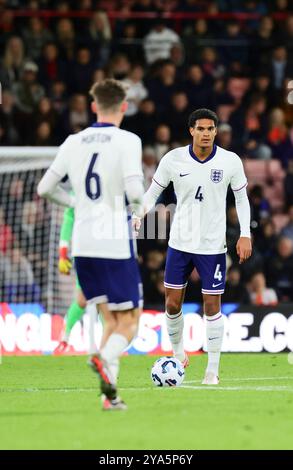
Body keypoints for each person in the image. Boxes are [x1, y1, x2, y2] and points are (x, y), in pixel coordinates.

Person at [37, 78, 144, 410]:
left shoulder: (73, 141)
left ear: (94, 106)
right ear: (124, 106)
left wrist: (73, 203)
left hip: (83, 241)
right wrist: (140, 208)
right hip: (113, 238)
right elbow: (136, 192)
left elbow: (44, 188)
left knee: (108, 320)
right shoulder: (128, 140)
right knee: (130, 320)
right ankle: (102, 355)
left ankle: (109, 397)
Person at [141, 108, 252, 385]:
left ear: (216, 132)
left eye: (210, 129)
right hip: (180, 243)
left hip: (213, 246)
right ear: (191, 130)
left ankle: (212, 370)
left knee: (212, 306)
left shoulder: (230, 161)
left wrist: (245, 233)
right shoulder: (173, 159)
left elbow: (241, 200)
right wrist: (137, 214)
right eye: (200, 129)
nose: (205, 134)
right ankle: (178, 356)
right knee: (171, 302)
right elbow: (153, 192)